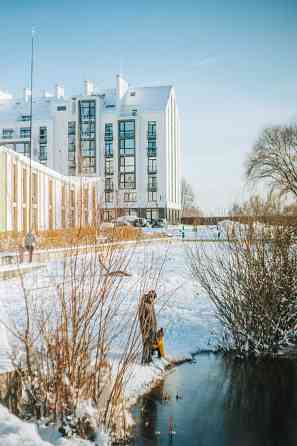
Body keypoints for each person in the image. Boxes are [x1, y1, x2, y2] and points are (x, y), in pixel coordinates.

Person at [138, 290, 157, 364]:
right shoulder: (144, 305)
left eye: (154, 297)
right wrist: (145, 328)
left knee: (151, 342)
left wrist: (155, 326)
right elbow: (141, 318)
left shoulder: (151, 304)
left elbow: (153, 316)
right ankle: (144, 360)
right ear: (149, 296)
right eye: (151, 297)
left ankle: (149, 358)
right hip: (146, 328)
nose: (153, 299)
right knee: (146, 343)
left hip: (152, 327)